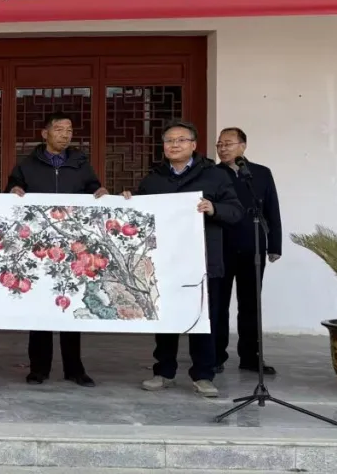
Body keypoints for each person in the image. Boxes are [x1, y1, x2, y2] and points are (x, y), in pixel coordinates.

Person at [121, 120, 243, 398]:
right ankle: (163, 372)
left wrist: (214, 208)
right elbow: (139, 216)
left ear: (194, 145)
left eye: (181, 140)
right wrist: (129, 201)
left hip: (203, 260)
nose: (174, 145)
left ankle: (203, 375)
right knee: (166, 317)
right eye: (169, 141)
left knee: (202, 318)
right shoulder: (154, 179)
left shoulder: (214, 176)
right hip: (164, 261)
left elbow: (236, 212)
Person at [5, 112, 107, 387]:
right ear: (45, 133)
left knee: (71, 304)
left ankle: (74, 368)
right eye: (59, 129)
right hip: (40, 247)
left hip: (73, 245)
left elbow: (94, 188)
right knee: (41, 306)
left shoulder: (80, 163)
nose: (65, 134)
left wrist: (100, 192)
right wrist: (14, 190)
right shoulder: (28, 165)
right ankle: (39, 368)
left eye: (69, 130)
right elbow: (12, 190)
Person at [214, 127, 283, 375]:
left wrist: (274, 245)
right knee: (218, 304)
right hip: (220, 248)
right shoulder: (212, 174)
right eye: (220, 144)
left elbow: (271, 209)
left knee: (251, 304)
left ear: (243, 146)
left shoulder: (261, 173)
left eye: (228, 144)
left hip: (253, 247)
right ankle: (215, 356)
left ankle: (250, 357)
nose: (222, 148)